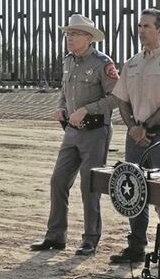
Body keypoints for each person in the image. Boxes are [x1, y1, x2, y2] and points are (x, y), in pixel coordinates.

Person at [30, 14, 118, 255]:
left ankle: (90, 239)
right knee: (58, 181)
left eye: (75, 34)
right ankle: (55, 236)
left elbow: (116, 97)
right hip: (71, 131)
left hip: (95, 133)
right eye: (68, 34)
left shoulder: (102, 63)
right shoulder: (68, 61)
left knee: (89, 186)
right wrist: (61, 108)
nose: (69, 38)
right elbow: (64, 91)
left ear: (89, 38)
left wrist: (87, 109)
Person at [108, 8, 160, 264]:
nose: (141, 31)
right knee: (134, 191)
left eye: (147, 26)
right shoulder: (131, 63)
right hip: (135, 136)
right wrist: (134, 127)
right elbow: (122, 100)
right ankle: (136, 247)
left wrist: (146, 126)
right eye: (139, 26)